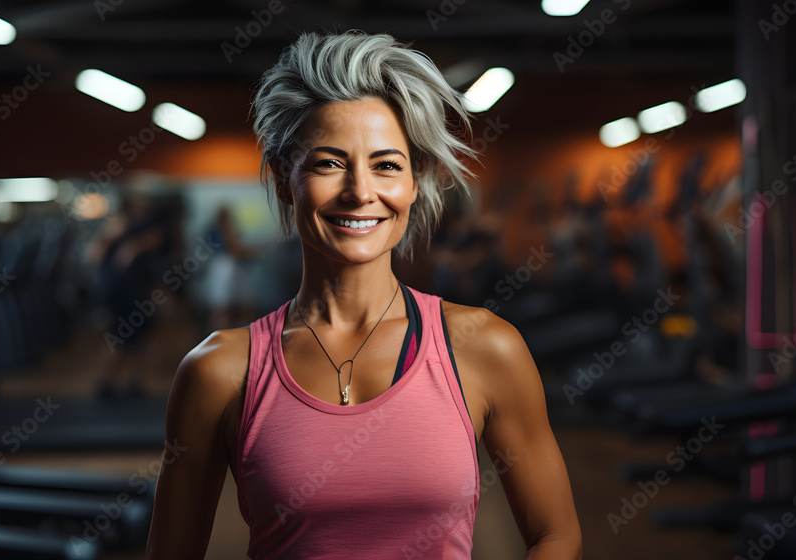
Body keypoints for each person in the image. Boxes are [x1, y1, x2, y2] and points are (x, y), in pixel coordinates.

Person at [145, 30, 582, 559]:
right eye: (328, 163)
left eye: (387, 165)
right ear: (284, 179)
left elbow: (557, 535)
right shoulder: (218, 371)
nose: (360, 191)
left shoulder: (485, 347)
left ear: (416, 180)